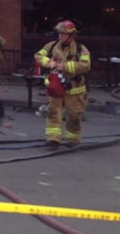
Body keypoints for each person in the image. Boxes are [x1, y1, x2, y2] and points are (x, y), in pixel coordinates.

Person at [34, 20, 91, 149]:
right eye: (59, 33)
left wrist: (65, 66)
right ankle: (53, 140)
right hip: (56, 86)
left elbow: (86, 65)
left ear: (71, 35)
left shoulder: (81, 49)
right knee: (53, 112)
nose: (60, 36)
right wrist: (48, 62)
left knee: (74, 116)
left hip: (74, 88)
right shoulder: (52, 46)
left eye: (63, 34)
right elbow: (38, 55)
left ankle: (73, 139)